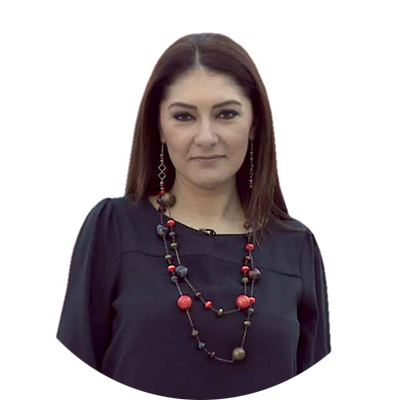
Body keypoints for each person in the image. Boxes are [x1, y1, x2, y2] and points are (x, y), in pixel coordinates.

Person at [56, 32, 331, 400]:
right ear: (159, 128)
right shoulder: (113, 228)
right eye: (184, 116)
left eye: (226, 114)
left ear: (254, 124)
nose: (205, 137)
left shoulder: (296, 247)